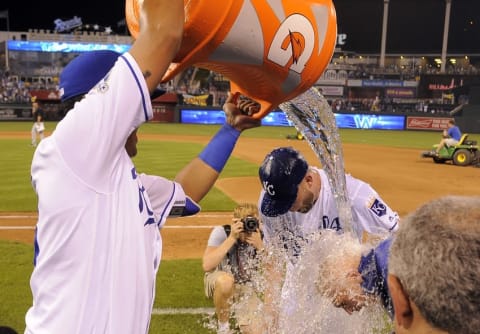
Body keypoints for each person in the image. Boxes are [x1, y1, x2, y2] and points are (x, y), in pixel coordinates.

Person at [25, 1, 261, 333]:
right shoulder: (74, 145)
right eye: (144, 99)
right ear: (103, 100)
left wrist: (230, 129)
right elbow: (164, 32)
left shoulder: (116, 177)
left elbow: (185, 193)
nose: (146, 109)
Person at [257, 146, 399, 327]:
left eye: (291, 200)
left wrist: (366, 286)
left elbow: (399, 241)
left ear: (308, 180)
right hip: (297, 288)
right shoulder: (272, 202)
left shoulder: (353, 194)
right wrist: (270, 310)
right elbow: (273, 257)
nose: (286, 209)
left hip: (343, 292)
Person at [320, 196, 480, 334]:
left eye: (343, 303)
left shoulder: (389, 275)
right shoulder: (383, 254)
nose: (349, 311)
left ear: (353, 277)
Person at [202, 203, 265, 334]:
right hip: (219, 280)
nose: (249, 228)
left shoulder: (261, 235)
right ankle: (223, 328)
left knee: (258, 330)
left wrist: (260, 246)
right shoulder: (222, 232)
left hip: (246, 287)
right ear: (236, 222)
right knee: (226, 282)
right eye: (245, 223)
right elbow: (207, 265)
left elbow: (273, 270)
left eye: (252, 222)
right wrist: (232, 238)